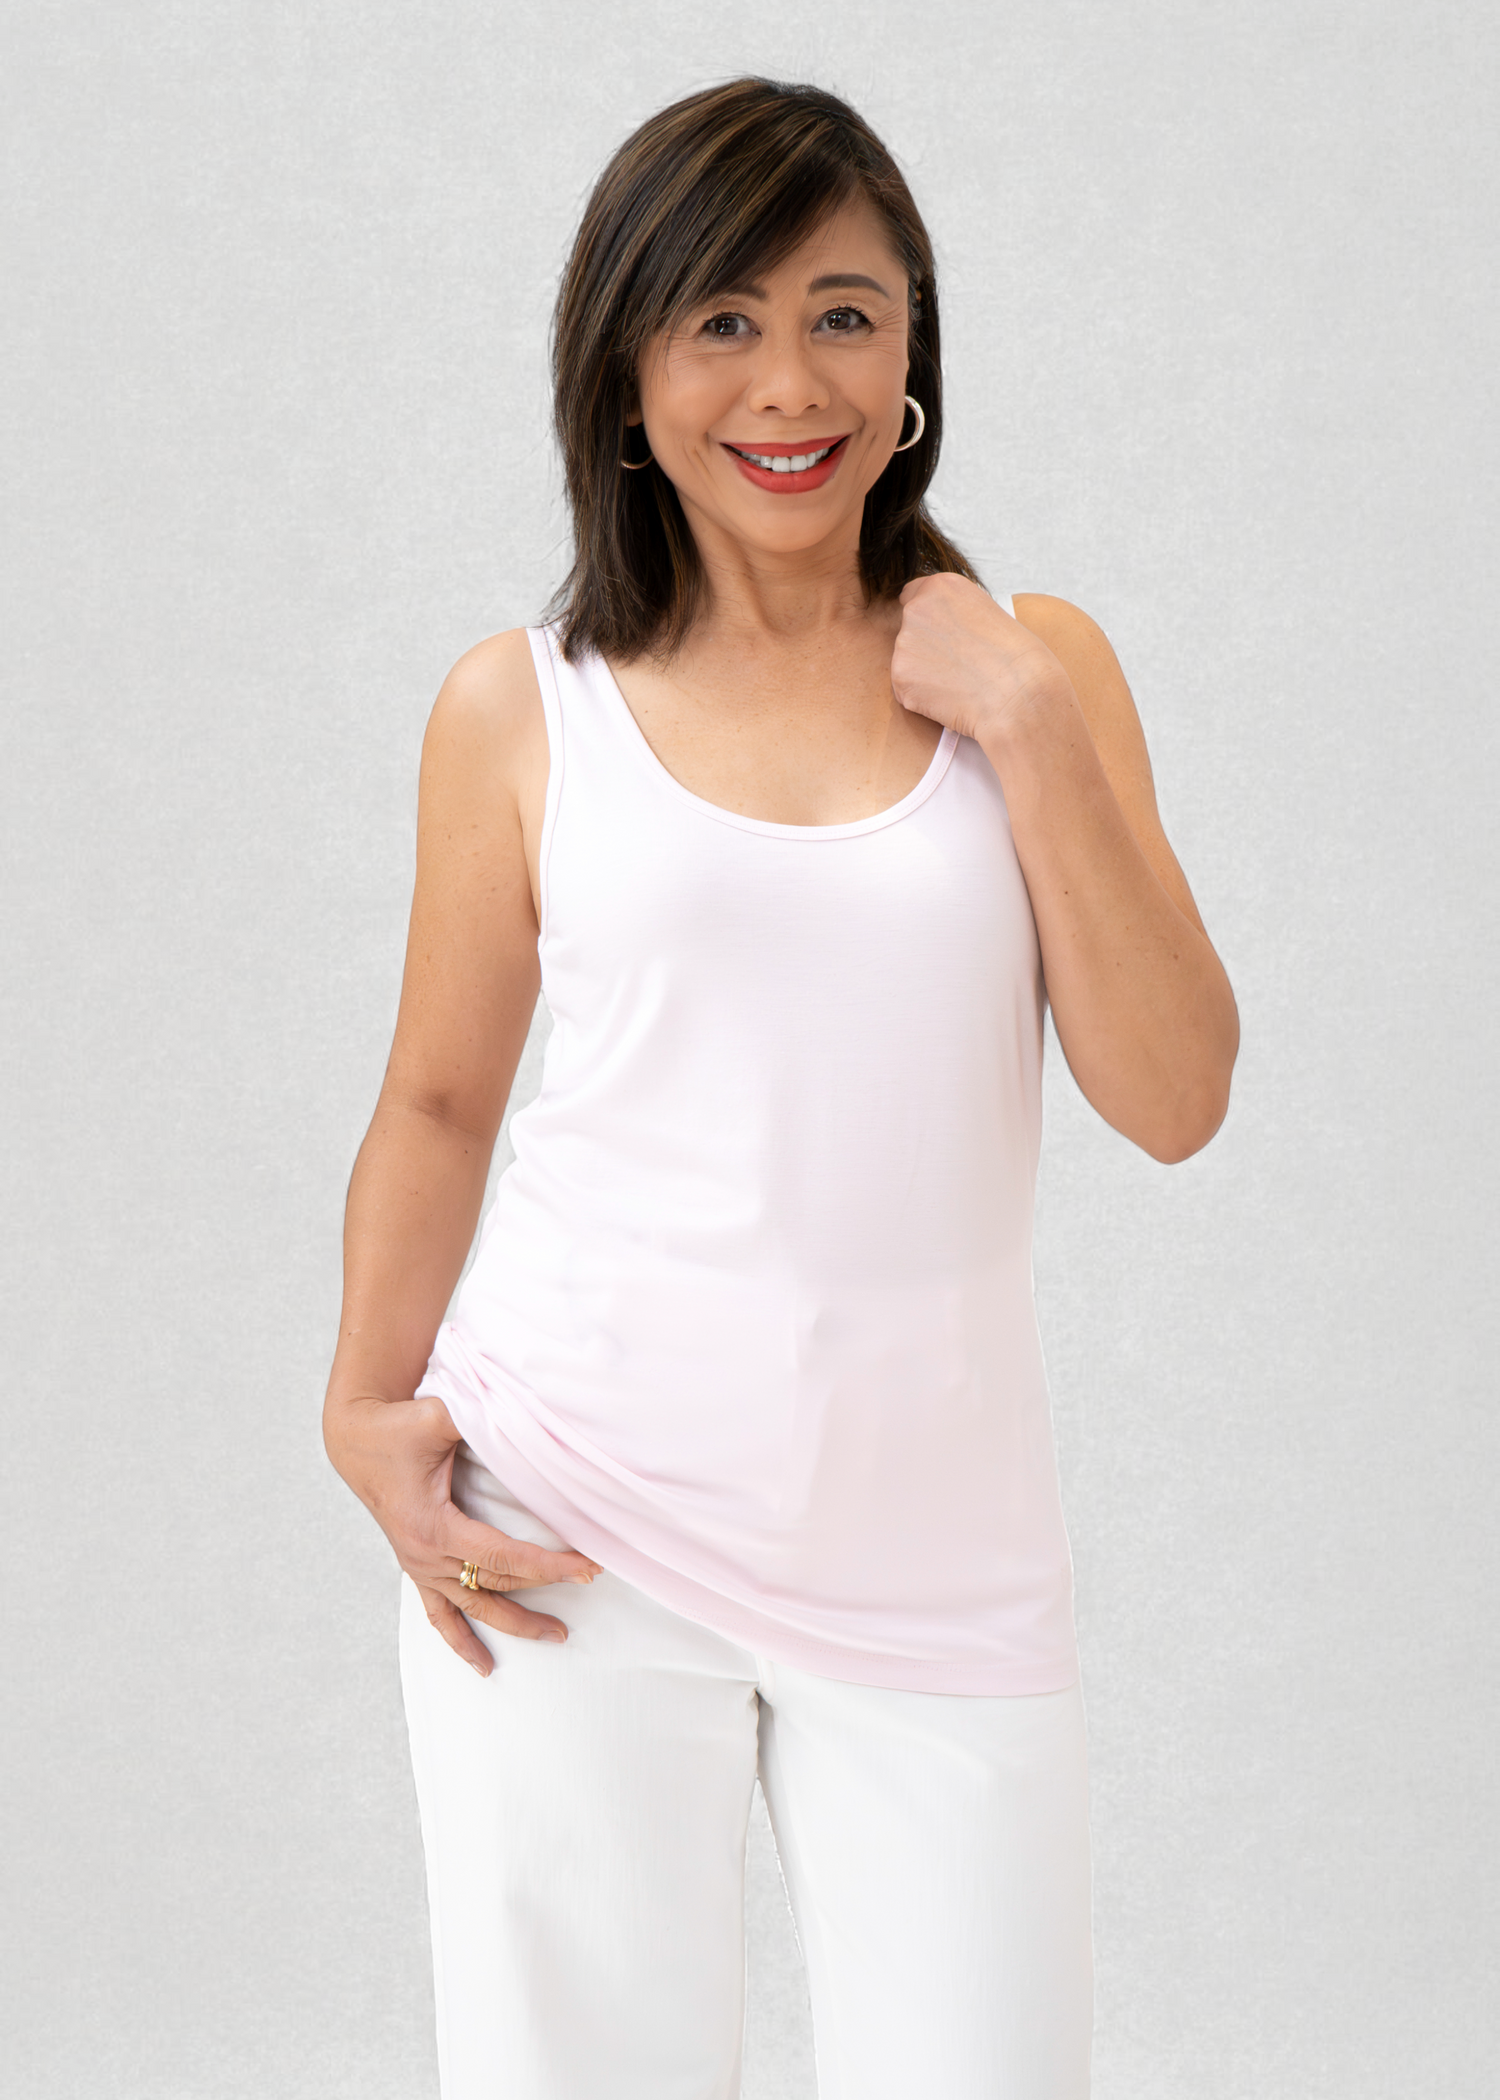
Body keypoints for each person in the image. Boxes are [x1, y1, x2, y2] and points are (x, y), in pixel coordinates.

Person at [323, 75, 1239, 2100]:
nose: (788, 382)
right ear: (628, 372)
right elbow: (443, 1101)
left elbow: (1177, 1095)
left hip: (939, 1554)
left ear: (914, 353)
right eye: (721, 321)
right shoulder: (522, 708)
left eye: (844, 313)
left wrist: (1028, 721)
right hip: (568, 1521)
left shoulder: (1037, 671)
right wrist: (362, 1411)